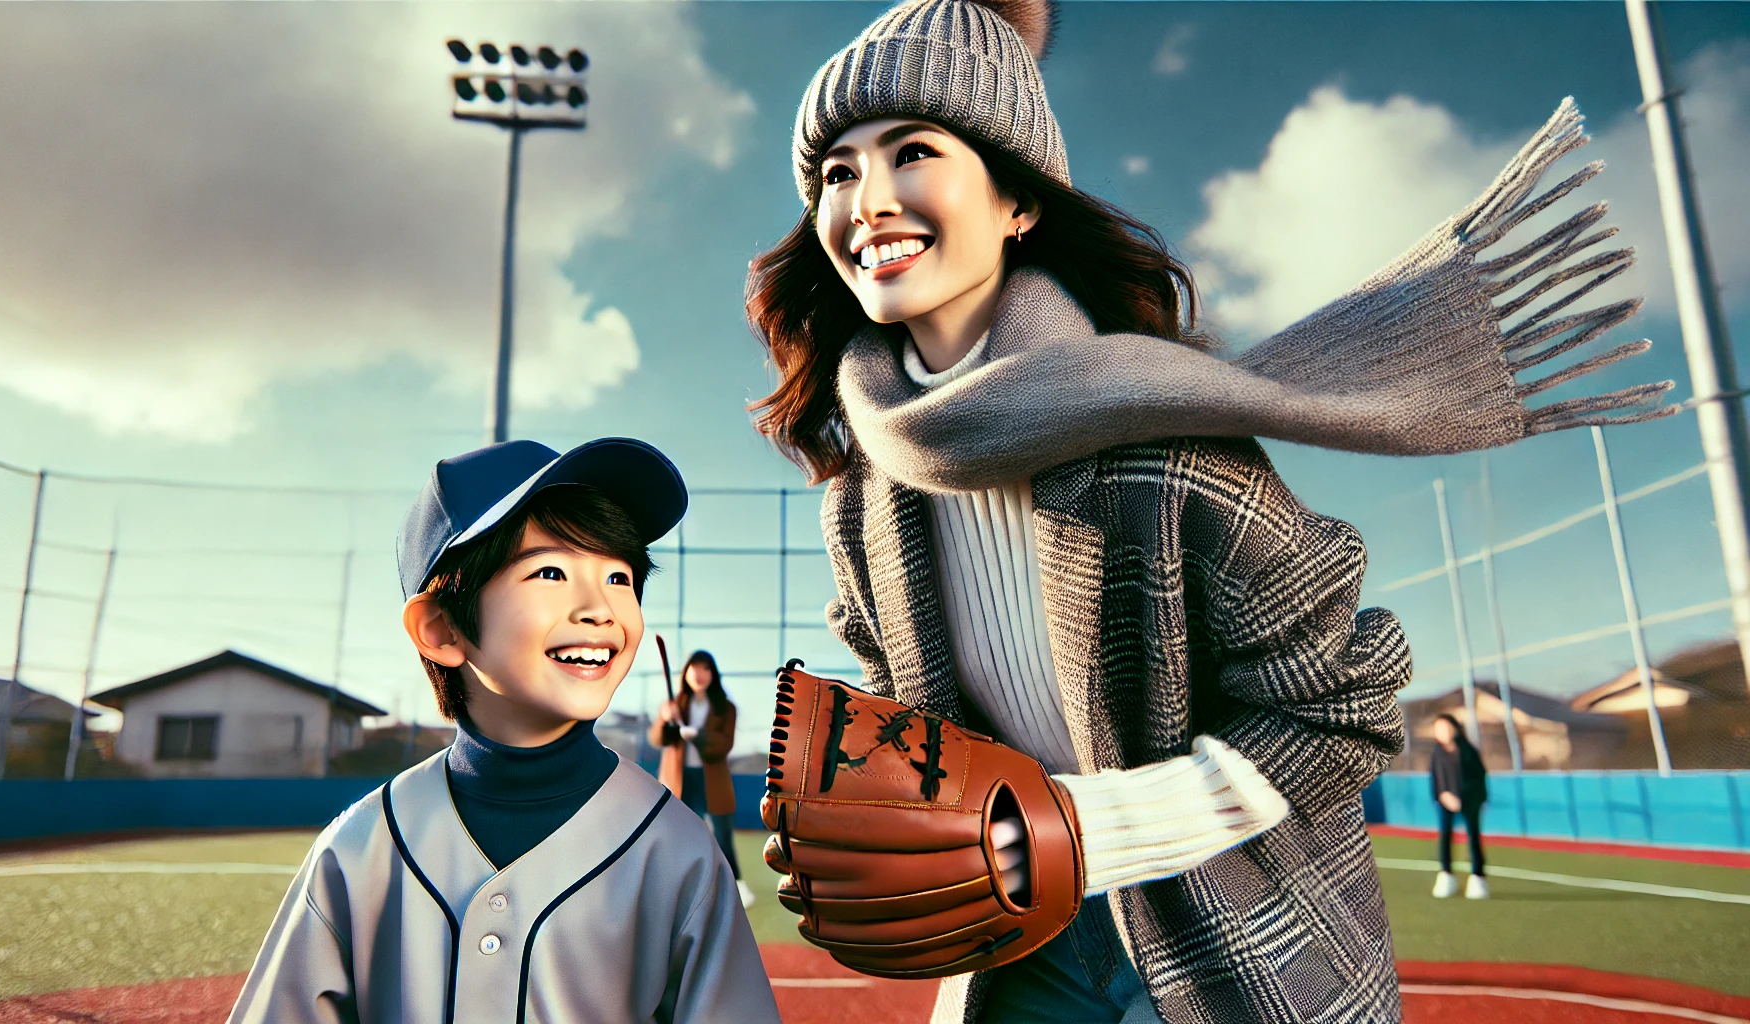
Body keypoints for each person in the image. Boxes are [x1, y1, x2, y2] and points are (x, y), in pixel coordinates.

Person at [745, 0, 1670, 1020]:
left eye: (911, 152)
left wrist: (1084, 826)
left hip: (1231, 946)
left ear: (1017, 203)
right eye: (836, 171)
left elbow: (1340, 707)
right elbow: (915, 713)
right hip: (1020, 952)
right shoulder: (863, 504)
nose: (865, 199)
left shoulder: (1166, 443)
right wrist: (862, 804)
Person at [228, 438, 780, 1024]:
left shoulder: (679, 849)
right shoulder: (360, 848)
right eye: (550, 571)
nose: (600, 608)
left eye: (619, 577)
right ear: (441, 628)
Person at [650, 650, 756, 909]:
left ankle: (738, 887)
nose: (699, 674)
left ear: (713, 674)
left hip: (713, 782)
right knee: (680, 837)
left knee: (722, 837)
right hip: (681, 781)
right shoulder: (675, 705)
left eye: (705, 668)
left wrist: (696, 734)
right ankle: (679, 891)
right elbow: (658, 740)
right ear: (686, 672)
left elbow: (723, 746)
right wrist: (665, 720)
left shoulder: (725, 708)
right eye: (694, 668)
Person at [1430, 713, 1490, 900]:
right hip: (1445, 802)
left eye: (1446, 728)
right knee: (1445, 836)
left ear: (1455, 728)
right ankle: (1446, 874)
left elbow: (1478, 777)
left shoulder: (1468, 751)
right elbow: (1437, 779)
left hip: (1470, 801)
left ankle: (1478, 877)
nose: (1443, 732)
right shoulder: (1437, 754)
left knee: (1473, 837)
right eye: (1439, 729)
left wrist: (1467, 798)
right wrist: (1443, 795)